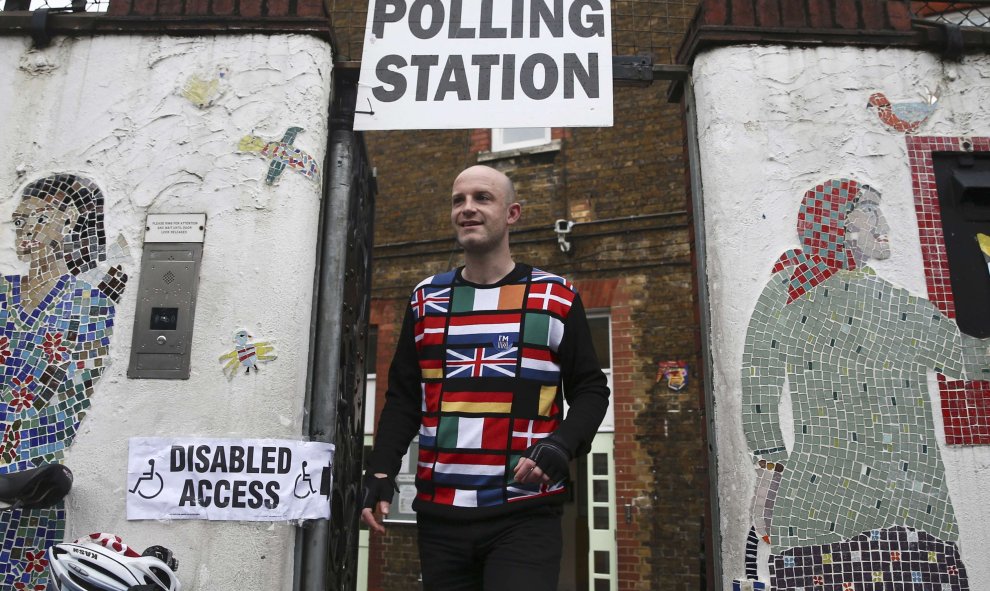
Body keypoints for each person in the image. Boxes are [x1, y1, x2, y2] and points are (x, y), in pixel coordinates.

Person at [361, 165, 610, 590]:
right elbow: (404, 397)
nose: (467, 208)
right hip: (440, 517)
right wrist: (381, 470)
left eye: (482, 198)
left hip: (525, 514)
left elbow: (590, 389)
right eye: (458, 200)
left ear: (513, 213)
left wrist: (560, 445)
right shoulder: (427, 298)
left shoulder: (555, 296)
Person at [741, 179, 976, 587]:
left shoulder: (896, 304)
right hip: (838, 512)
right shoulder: (790, 292)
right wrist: (768, 467)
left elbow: (969, 358)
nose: (884, 222)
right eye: (870, 210)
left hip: (907, 512)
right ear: (837, 224)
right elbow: (758, 388)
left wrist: (769, 470)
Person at [0, 174, 126, 589]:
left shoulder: (91, 304)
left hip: (36, 480)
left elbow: (70, 392)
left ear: (68, 221)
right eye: (20, 220)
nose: (24, 229)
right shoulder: (2, 294)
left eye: (38, 218)